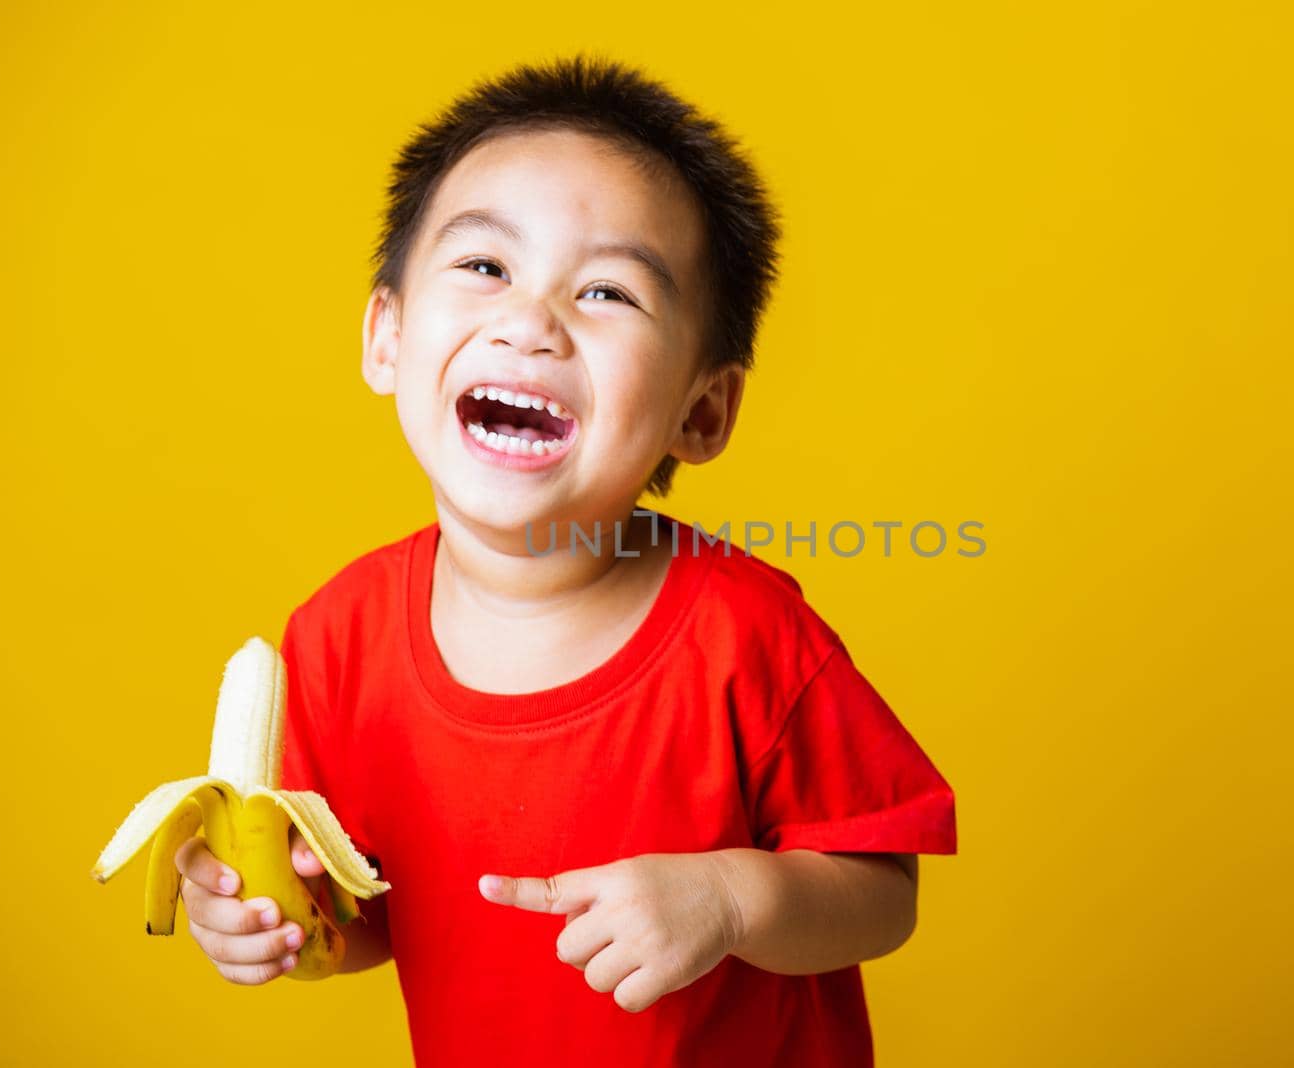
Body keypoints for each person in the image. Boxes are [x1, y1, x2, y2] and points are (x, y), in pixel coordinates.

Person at [171, 52, 956, 1066]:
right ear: (386, 335)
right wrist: (271, 924)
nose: (532, 322)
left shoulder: (750, 636)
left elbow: (883, 896)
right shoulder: (336, 641)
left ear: (700, 409)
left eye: (607, 293)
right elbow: (363, 918)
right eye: (486, 267)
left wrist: (735, 897)